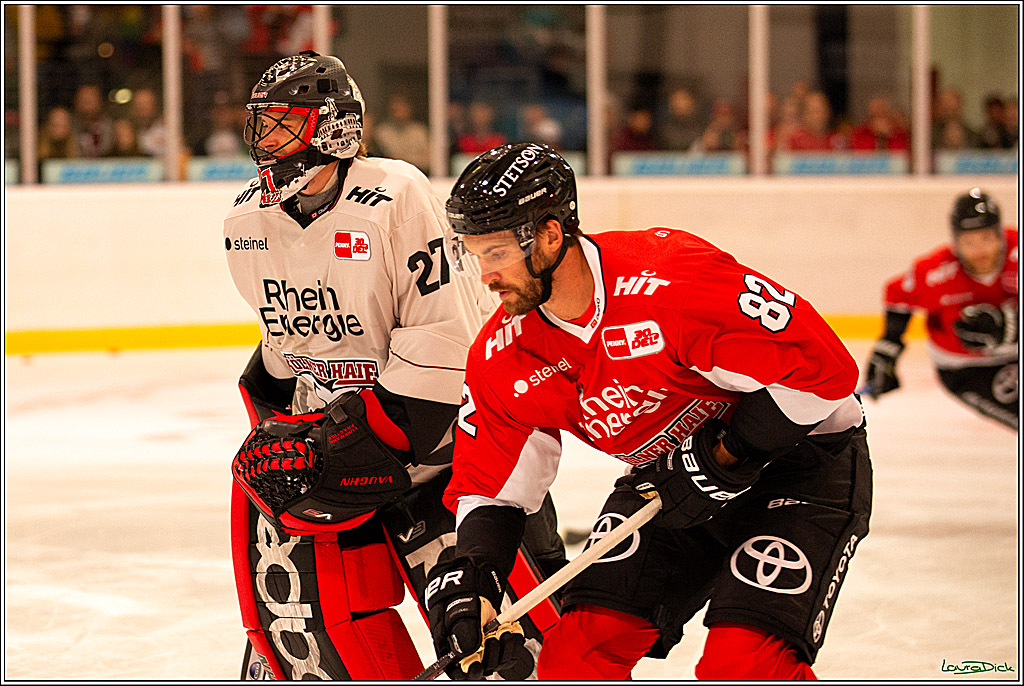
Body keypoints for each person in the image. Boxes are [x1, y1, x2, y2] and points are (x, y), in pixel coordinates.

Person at [425, 142, 872, 680]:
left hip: (799, 462)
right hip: (672, 481)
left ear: (549, 235)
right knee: (574, 661)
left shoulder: (673, 280)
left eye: (496, 253)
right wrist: (474, 578)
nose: (484, 275)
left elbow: (823, 371)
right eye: (474, 255)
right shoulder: (502, 356)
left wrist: (727, 454)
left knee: (741, 667)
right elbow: (492, 487)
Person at [223, 52, 566, 681]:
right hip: (336, 440)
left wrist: (356, 434)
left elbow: (444, 341)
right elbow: (284, 341)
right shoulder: (245, 222)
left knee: (513, 646)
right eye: (262, 125)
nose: (267, 140)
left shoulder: (394, 195)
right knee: (308, 634)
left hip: (443, 450)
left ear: (333, 127)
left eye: (284, 124)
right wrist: (277, 425)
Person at [862, 189, 1018, 430]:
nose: (979, 250)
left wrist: (1014, 326)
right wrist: (888, 347)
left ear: (1000, 234)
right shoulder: (935, 272)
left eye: (986, 238)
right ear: (955, 242)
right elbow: (898, 294)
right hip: (966, 370)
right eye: (968, 242)